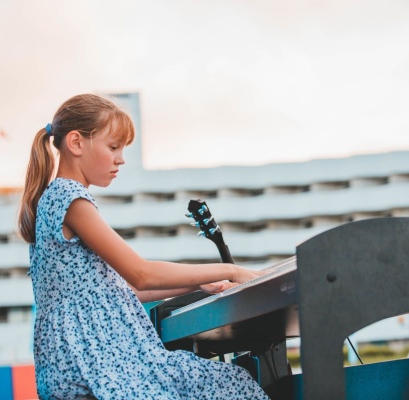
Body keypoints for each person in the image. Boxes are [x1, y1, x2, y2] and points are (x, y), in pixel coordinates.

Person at [18, 94, 269, 399]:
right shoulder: (70, 199)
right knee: (231, 383)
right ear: (76, 143)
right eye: (113, 147)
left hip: (75, 365)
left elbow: (124, 290)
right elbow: (141, 274)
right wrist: (231, 270)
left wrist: (197, 283)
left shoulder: (53, 199)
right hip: (98, 365)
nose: (121, 159)